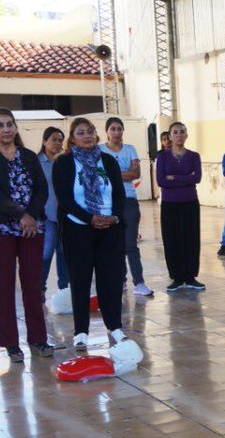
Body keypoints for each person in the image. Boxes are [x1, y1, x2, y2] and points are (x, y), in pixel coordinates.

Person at [0, 108, 52, 362]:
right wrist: (20, 215)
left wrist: (31, 215)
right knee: (3, 285)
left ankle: (38, 338)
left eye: (10, 124)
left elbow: (41, 189)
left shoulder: (28, 156)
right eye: (0, 125)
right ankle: (10, 343)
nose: (6, 129)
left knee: (32, 283)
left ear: (16, 128)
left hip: (31, 228)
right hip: (0, 228)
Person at [54, 117, 128, 349]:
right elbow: (65, 199)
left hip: (109, 228)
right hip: (78, 228)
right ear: (72, 138)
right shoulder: (64, 163)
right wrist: (90, 218)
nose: (87, 136)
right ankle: (81, 331)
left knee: (111, 279)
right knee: (80, 279)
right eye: (80, 132)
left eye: (90, 131)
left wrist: (114, 217)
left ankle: (114, 326)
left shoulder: (108, 161)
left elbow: (119, 194)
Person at [100, 117, 152, 297]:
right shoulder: (100, 150)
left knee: (130, 244)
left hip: (129, 200)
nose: (116, 132)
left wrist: (113, 173)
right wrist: (123, 173)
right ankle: (119, 280)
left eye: (119, 128)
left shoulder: (130, 149)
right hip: (108, 202)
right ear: (107, 131)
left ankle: (139, 282)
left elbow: (135, 174)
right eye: (112, 129)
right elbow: (100, 174)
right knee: (114, 244)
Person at [156, 121, 204, 293]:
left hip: (189, 202)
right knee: (172, 239)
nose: (179, 135)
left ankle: (190, 276)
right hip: (169, 204)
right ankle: (176, 277)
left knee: (191, 238)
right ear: (169, 136)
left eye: (182, 132)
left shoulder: (194, 156)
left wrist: (174, 178)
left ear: (186, 135)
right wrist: (185, 178)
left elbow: (197, 178)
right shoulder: (163, 157)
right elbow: (161, 181)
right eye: (175, 132)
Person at [38, 126, 69, 295]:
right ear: (44, 141)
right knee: (46, 253)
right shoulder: (36, 162)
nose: (57, 143)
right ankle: (40, 290)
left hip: (64, 216)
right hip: (45, 215)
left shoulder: (64, 161)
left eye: (60, 140)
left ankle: (65, 291)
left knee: (64, 254)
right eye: (53, 140)